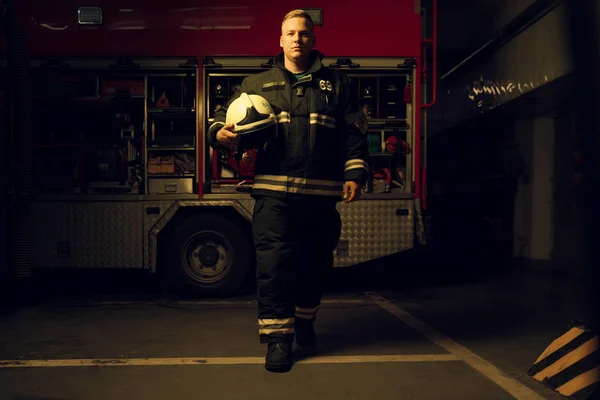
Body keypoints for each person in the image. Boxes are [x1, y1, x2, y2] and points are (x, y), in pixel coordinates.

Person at [207, 9, 370, 372]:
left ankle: (305, 319)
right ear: (280, 40)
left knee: (314, 266)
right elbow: (222, 117)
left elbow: (355, 136)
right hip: (273, 196)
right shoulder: (255, 84)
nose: (298, 39)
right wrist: (217, 133)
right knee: (273, 266)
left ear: (314, 40)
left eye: (304, 34)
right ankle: (279, 341)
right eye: (291, 33)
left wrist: (355, 175)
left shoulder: (339, 86)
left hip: (320, 197)